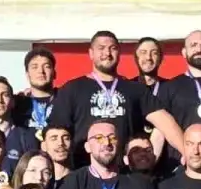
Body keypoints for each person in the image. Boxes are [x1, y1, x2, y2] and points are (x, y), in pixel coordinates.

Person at [49, 31, 184, 166]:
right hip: (85, 170)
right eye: (101, 48)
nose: (107, 53)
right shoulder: (72, 89)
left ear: (119, 53)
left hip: (125, 170)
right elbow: (56, 133)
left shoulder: (135, 89)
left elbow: (165, 122)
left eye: (112, 48)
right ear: (91, 53)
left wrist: (186, 152)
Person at [17, 49, 57, 138]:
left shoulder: (65, 99)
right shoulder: (18, 103)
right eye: (35, 67)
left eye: (46, 66)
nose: (41, 71)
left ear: (54, 73)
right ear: (27, 74)